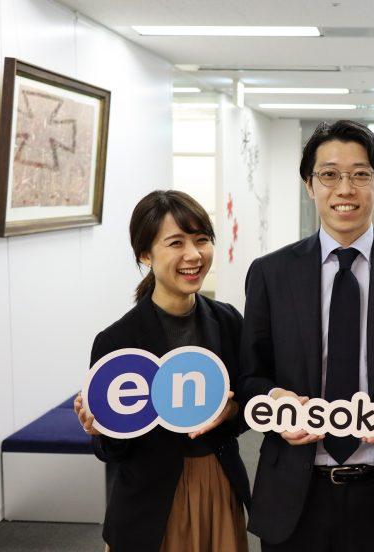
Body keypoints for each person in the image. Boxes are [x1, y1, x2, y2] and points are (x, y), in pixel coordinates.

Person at [240, 120, 374, 552]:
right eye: (329, 174)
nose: (345, 189)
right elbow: (249, 376)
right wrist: (274, 402)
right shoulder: (270, 274)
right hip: (294, 494)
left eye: (360, 175)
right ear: (310, 185)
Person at [74, 190, 251, 552]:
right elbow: (110, 451)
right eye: (176, 243)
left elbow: (248, 405)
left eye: (201, 239)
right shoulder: (117, 340)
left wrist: (233, 410)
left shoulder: (228, 321)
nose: (193, 254)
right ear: (145, 254)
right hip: (149, 500)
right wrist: (101, 428)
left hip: (218, 485)